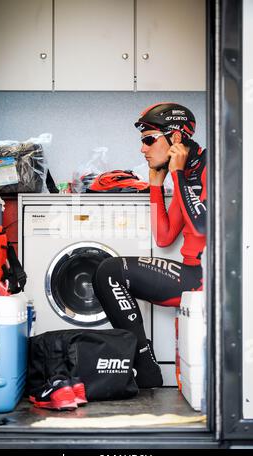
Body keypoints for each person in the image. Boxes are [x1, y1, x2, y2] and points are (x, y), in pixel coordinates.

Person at [92, 102, 206, 389]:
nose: (143, 149)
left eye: (148, 139)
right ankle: (145, 363)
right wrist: (156, 184)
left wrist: (177, 175)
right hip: (192, 274)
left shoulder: (211, 168)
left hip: (210, 280)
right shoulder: (188, 173)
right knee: (109, 271)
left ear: (176, 138)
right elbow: (165, 236)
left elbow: (203, 225)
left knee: (109, 270)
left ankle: (144, 369)